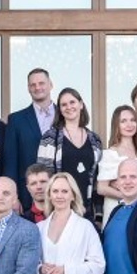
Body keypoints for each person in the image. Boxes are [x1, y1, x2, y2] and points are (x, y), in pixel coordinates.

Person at [37, 87, 104, 224]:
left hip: (87, 208)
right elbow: (44, 176)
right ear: (60, 110)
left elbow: (98, 178)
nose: (69, 107)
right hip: (60, 207)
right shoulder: (50, 137)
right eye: (64, 104)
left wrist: (98, 212)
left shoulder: (95, 140)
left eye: (72, 102)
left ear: (81, 104)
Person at [4, 67, 56, 211]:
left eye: (41, 83)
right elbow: (10, 162)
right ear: (28, 88)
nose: (37, 87)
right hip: (27, 196)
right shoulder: (16, 120)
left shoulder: (64, 115)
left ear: (51, 85)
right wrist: (13, 197)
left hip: (60, 193)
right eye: (33, 85)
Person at [95, 104, 137, 223]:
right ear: (116, 125)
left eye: (133, 120)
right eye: (123, 121)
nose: (129, 125)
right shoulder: (110, 153)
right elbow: (101, 188)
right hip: (117, 207)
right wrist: (130, 196)